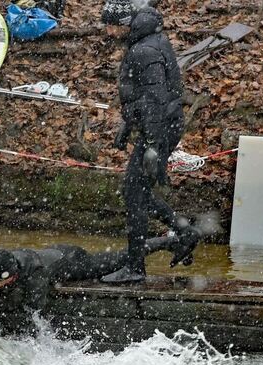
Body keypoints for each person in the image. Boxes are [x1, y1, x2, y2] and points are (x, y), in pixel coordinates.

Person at [103, 0, 200, 284]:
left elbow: (155, 100)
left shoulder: (144, 50)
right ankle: (184, 232)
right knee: (136, 191)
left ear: (124, 24)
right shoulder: (145, 40)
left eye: (110, 26)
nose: (108, 32)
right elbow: (144, 95)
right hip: (159, 126)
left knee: (134, 195)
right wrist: (128, 124)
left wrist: (154, 146)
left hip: (160, 129)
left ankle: (135, 267)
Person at [0, 236, 189, 333]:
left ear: (11, 276)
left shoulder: (35, 274)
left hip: (72, 261)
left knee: (119, 258)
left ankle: (169, 241)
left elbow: (35, 311)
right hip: (52, 251)